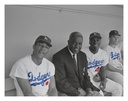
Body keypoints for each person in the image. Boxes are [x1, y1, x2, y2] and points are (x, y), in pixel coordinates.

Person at [52, 32, 101, 96]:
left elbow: (85, 75)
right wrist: (79, 95)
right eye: (74, 43)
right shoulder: (58, 57)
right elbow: (61, 82)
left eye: (80, 43)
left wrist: (89, 90)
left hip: (82, 88)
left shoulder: (82, 55)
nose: (77, 46)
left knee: (100, 96)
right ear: (68, 42)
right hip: (69, 91)